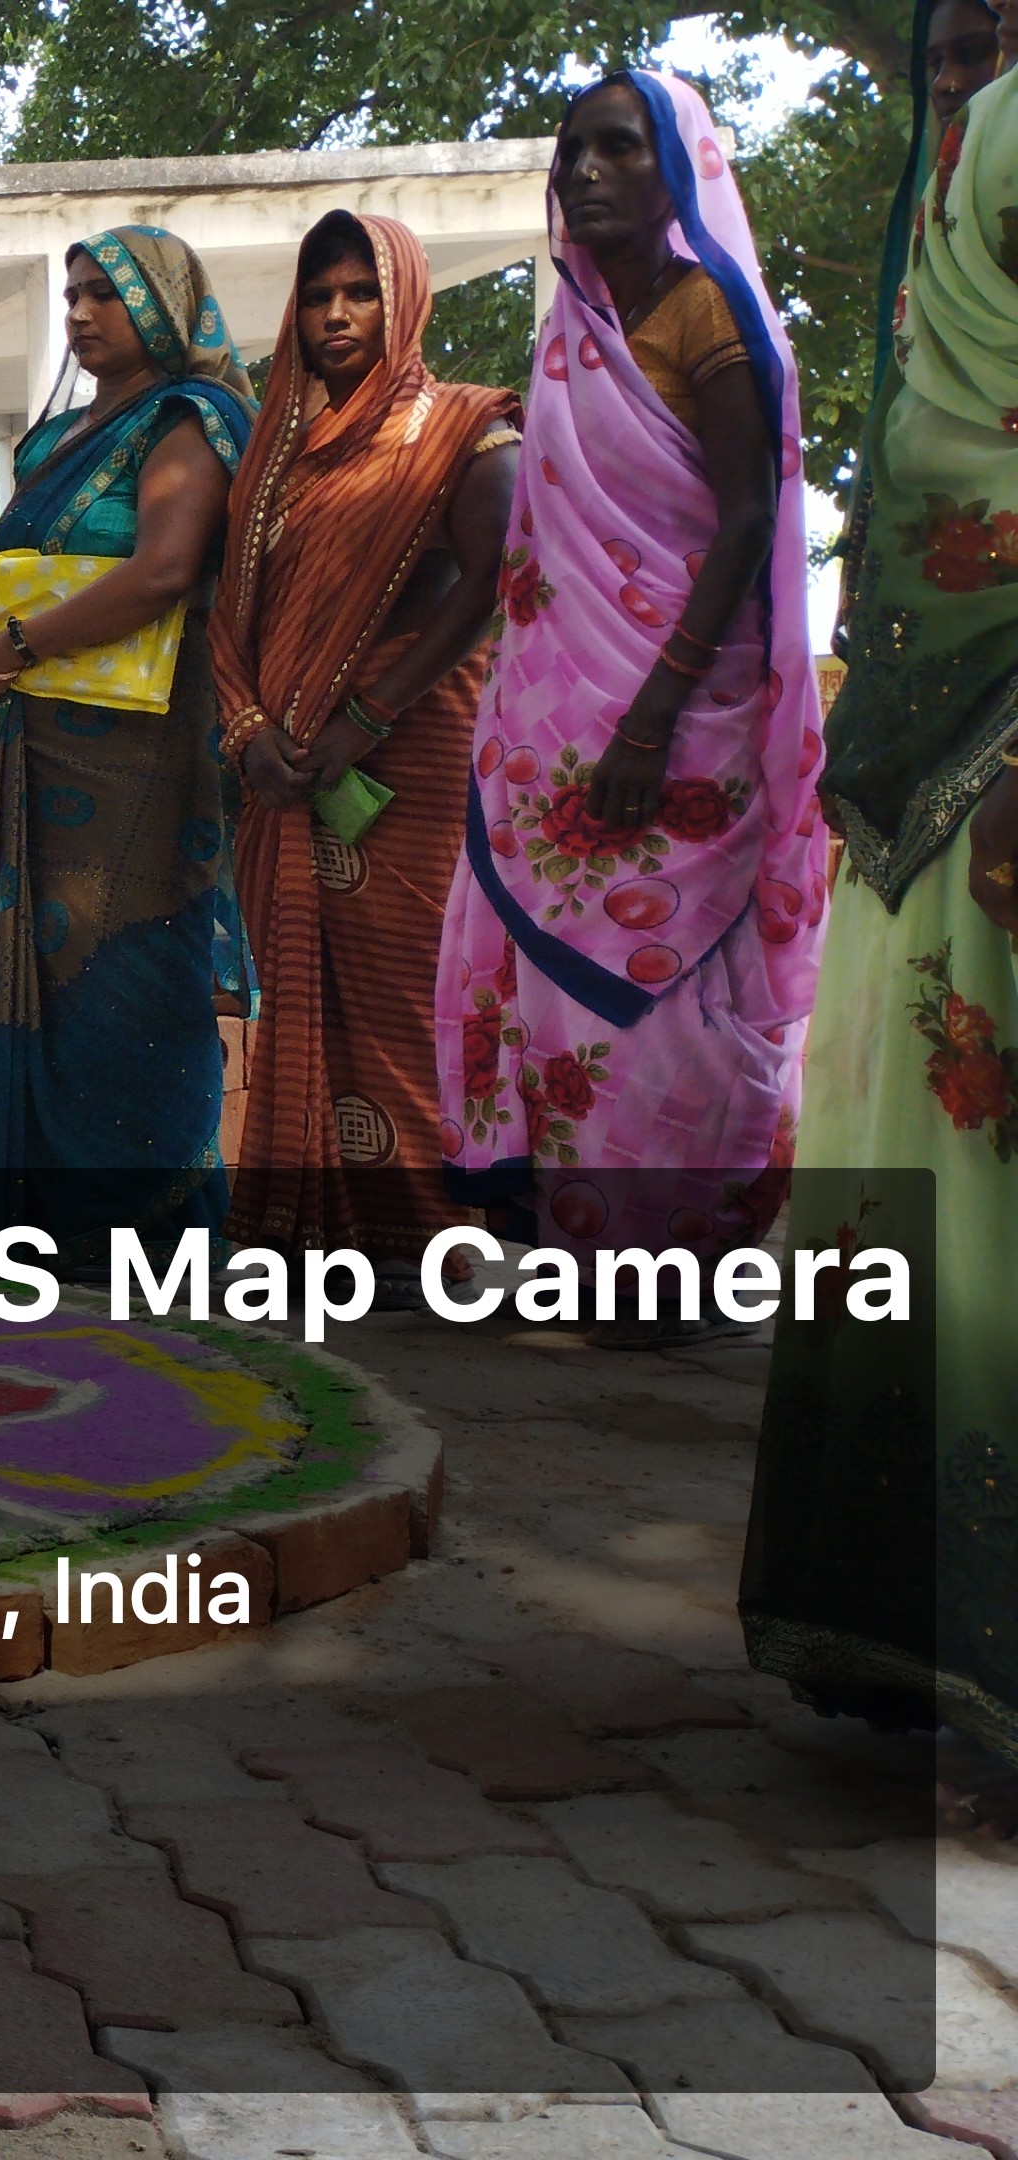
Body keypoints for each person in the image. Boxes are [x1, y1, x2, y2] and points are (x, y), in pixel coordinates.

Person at [429, 70, 827, 1338]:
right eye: (573, 152)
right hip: (556, 730)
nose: (587, 171)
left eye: (620, 147)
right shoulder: (572, 330)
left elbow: (748, 520)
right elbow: (543, 556)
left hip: (685, 720)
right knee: (558, 1005)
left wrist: (651, 719)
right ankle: (590, 1255)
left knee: (675, 1009)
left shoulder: (709, 312)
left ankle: (681, 1262)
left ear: (681, 172)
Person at [743, 0, 1013, 1832]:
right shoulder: (950, 181)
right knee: (913, 1190)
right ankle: (933, 1648)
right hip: (927, 757)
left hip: (1000, 755)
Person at [209, 212, 520, 1277]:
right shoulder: (273, 457)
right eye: (317, 296)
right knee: (308, 993)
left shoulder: (465, 427)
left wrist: (367, 718)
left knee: (408, 991)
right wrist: (249, 728)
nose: (336, 315)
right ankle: (318, 1232)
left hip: (413, 750)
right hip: (284, 765)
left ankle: (427, 1236)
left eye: (360, 292)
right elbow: (229, 614)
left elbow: (490, 583)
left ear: (406, 300)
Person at [0, 225, 253, 1246]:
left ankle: (154, 1225)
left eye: (103, 294)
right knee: (42, 982)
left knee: (130, 979)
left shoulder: (190, 415)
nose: (78, 312)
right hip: (32, 746)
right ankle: (47, 1222)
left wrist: (15, 646)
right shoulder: (60, 437)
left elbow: (165, 569)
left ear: (164, 305)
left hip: (144, 762)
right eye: (71, 293)